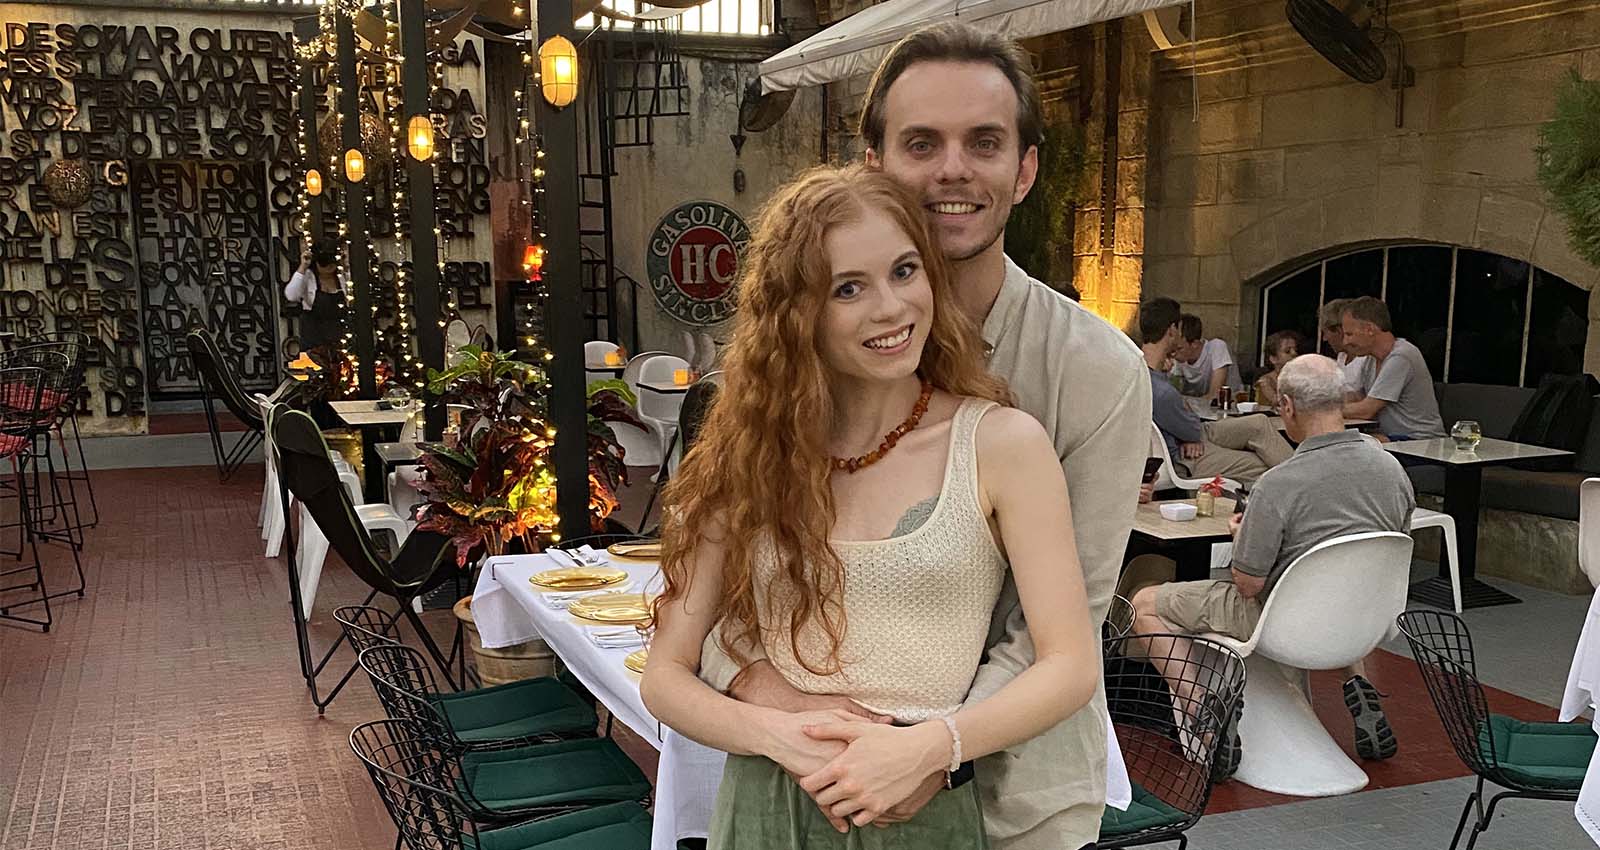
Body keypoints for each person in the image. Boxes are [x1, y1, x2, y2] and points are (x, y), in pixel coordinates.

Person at [696, 23, 1151, 850]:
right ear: (874, 165)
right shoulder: (784, 376)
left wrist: (926, 752)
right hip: (818, 781)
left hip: (1017, 802)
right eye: (921, 142)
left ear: (1025, 169)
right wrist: (774, 693)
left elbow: (1054, 629)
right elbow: (731, 590)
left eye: (984, 141)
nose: (952, 169)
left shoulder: (1095, 371)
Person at [641, 165, 1101, 848]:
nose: (891, 307)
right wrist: (783, 737)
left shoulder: (1001, 445)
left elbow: (1069, 665)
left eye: (906, 270)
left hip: (918, 806)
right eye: (849, 288)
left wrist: (933, 750)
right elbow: (665, 676)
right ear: (797, 314)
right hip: (772, 804)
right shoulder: (750, 455)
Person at [1129, 354, 1415, 772]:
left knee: (1145, 603)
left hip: (1281, 623)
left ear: (1287, 407)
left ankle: (1204, 717)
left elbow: (1246, 582)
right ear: (1340, 402)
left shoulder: (1278, 483)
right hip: (1364, 622)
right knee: (1337, 586)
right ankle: (1358, 685)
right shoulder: (1392, 470)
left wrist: (1241, 535)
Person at [1140, 298, 1293, 485]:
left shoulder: (1144, 371)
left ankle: (1307, 477)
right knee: (1261, 464)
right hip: (1182, 457)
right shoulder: (1161, 390)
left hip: (1191, 432)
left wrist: (1187, 428)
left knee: (1259, 423)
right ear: (1172, 331)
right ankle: (1307, 487)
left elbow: (1186, 416)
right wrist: (1188, 434)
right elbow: (1192, 428)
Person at [1340, 296, 1447, 439]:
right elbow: (1357, 397)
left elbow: (1366, 410)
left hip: (1419, 441)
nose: (1345, 342)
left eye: (1349, 334)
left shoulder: (1401, 356)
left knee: (1353, 446)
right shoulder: (1370, 359)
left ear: (1369, 329)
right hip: (1392, 438)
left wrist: (1322, 411)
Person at [284, 239, 346, 358]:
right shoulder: (308, 277)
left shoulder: (342, 277)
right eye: (324, 263)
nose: (328, 267)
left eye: (332, 262)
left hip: (339, 338)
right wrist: (303, 266)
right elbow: (291, 295)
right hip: (313, 341)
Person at [1172, 314, 1243, 401]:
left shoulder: (1217, 347)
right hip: (1199, 409)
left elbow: (1214, 395)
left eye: (1179, 348)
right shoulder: (1178, 359)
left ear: (1195, 344)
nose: (1174, 354)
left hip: (1230, 406)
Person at [1319, 299, 1369, 393]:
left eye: (1326, 332)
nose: (1324, 339)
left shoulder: (1366, 360)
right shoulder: (1342, 357)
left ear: (1338, 331)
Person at [1254, 329, 1307, 407]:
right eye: (1287, 351)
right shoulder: (1266, 381)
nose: (1294, 353)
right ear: (1273, 359)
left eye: (1295, 350)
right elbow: (1276, 401)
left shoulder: (1302, 377)